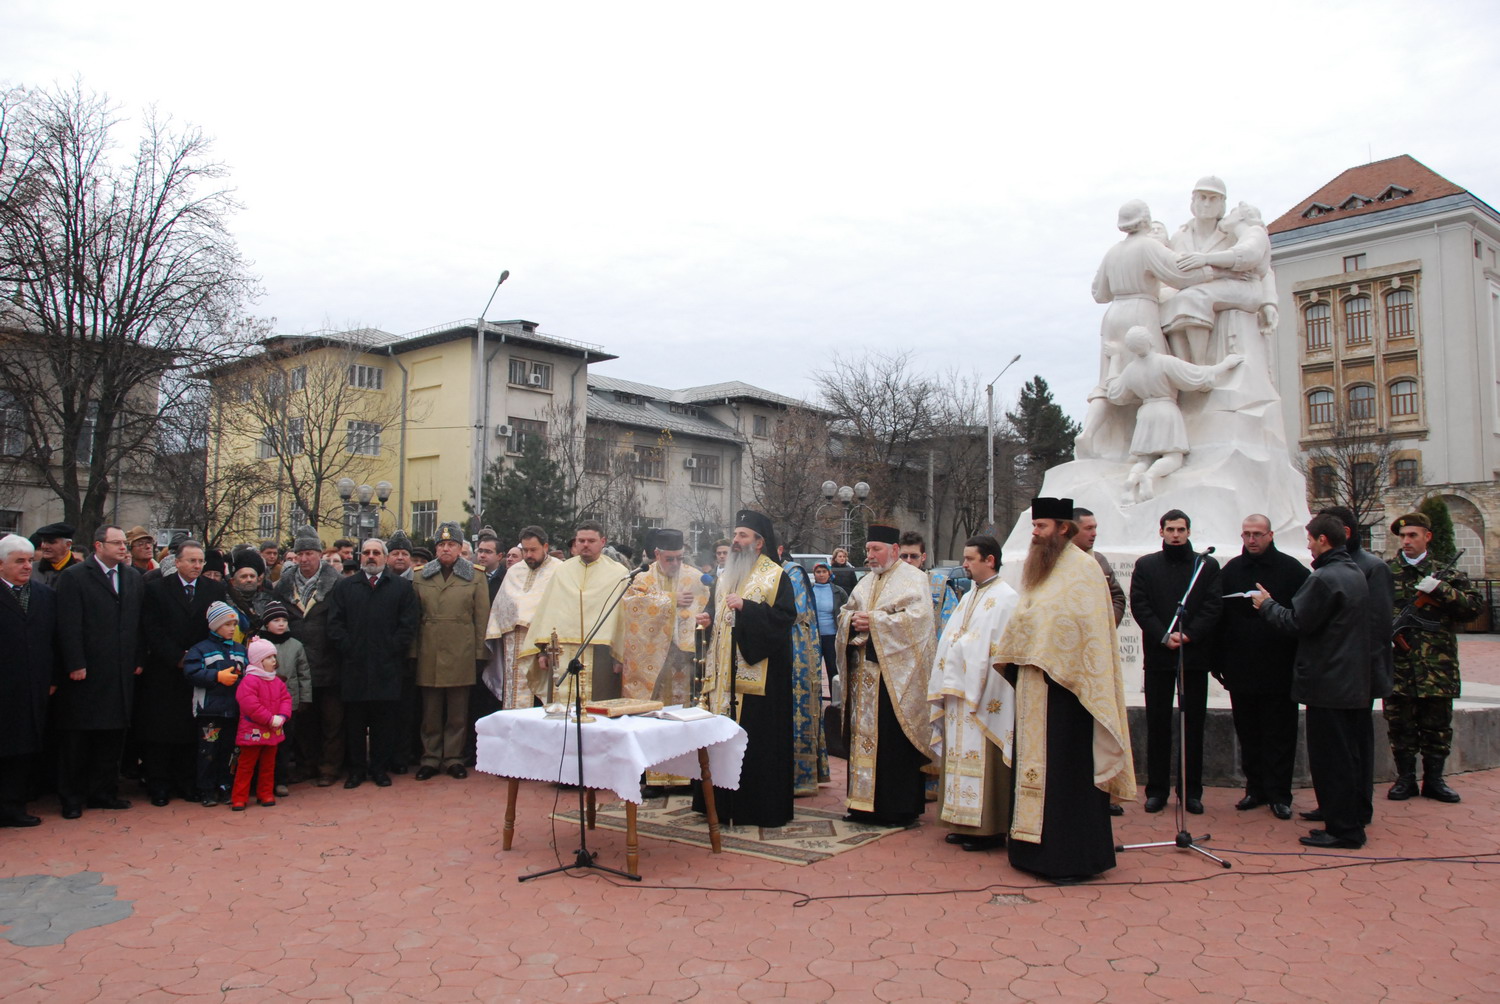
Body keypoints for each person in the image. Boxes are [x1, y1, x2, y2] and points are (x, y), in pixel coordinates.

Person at [994, 498, 1135, 882]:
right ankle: (1029, 852)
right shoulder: (1040, 569)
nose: (1035, 532)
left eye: (1041, 526)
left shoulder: (1084, 570)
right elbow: (1029, 619)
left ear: (1063, 529)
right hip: (1034, 687)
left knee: (1066, 775)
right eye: (1034, 525)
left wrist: (1047, 651)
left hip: (1070, 694)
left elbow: (1083, 630)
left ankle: (1069, 857)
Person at [1252, 514, 1371, 849]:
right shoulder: (1353, 573)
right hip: (1349, 681)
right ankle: (1346, 818)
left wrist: (1267, 605)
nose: (1307, 545)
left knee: (1331, 759)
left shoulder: (1325, 578)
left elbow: (1296, 622)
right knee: (1347, 756)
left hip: (1328, 683)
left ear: (1323, 540)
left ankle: (1343, 829)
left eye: (1309, 539)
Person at [1077, 198, 1212, 460]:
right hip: (1140, 310)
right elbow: (1178, 273)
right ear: (1146, 220)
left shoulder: (1112, 252)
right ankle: (1145, 448)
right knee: (1150, 379)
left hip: (1114, 314)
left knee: (1108, 382)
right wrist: (1208, 273)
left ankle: (1089, 433)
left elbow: (1098, 293)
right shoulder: (1148, 246)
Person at [694, 510, 796, 827]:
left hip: (759, 682)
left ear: (759, 542)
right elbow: (719, 615)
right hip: (723, 678)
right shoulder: (725, 576)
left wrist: (748, 609)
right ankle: (720, 805)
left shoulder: (776, 576)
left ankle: (755, 808)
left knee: (756, 743)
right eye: (736, 534)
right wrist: (708, 620)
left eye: (742, 536)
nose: (736, 541)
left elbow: (783, 620)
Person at [836, 524, 936, 826]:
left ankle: (897, 808)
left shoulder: (914, 580)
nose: (870, 556)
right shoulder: (865, 582)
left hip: (895, 679)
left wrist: (876, 623)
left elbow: (919, 621)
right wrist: (852, 621)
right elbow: (845, 612)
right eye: (867, 550)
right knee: (861, 740)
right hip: (863, 672)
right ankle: (861, 805)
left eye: (875, 549)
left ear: (894, 550)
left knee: (893, 742)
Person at [927, 534, 1019, 851]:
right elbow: (954, 635)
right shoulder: (969, 596)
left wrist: (960, 649)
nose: (964, 564)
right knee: (958, 760)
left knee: (984, 763)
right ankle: (960, 822)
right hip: (958, 693)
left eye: (969, 559)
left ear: (989, 560)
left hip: (984, 695)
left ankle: (988, 829)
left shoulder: (1006, 598)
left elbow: (997, 649)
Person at [1385, 511, 1484, 803]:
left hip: (1436, 666)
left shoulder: (1447, 575)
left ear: (1427, 537)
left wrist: (1441, 590)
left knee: (1437, 727)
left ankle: (1434, 780)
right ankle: (1405, 779)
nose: (1406, 541)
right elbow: (1370, 611)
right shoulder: (1385, 573)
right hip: (1399, 666)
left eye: (1412, 535)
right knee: (1400, 725)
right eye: (1402, 536)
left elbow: (1474, 608)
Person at [1215, 514, 1309, 820]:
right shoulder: (1231, 570)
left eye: (1257, 534)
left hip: (1279, 667)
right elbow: (1218, 615)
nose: (1251, 540)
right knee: (1249, 732)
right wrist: (1218, 661)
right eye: (1246, 534)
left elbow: (1302, 616)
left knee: (1280, 733)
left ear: (1270, 535)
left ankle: (1280, 794)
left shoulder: (1292, 570)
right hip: (1241, 668)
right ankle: (1254, 788)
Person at [1129, 508, 1221, 815]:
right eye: (1170, 529)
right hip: (1159, 654)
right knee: (1157, 723)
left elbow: (1212, 605)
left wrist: (1190, 635)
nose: (1176, 534)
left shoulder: (1204, 566)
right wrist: (1163, 636)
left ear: (1189, 532)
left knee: (1193, 723)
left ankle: (1191, 791)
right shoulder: (1146, 565)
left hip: (1193, 656)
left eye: (1181, 529)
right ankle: (1156, 791)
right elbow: (1140, 605)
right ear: (1161, 532)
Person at [53, 525, 145, 819]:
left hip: (120, 672)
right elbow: (68, 624)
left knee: (112, 737)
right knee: (79, 739)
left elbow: (137, 621)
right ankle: (71, 797)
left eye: (124, 543)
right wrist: (75, 662)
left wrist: (138, 656)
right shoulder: (74, 577)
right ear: (98, 546)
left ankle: (103, 793)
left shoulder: (132, 577)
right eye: (116, 543)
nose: (123, 548)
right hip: (87, 672)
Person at [1314, 505, 1394, 826]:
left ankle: (1359, 806)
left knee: (1355, 745)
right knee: (1336, 747)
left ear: (1343, 533)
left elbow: (1376, 627)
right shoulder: (1332, 565)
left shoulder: (1372, 568)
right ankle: (1334, 805)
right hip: (1336, 674)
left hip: (1358, 674)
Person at [1104, 326, 1243, 503]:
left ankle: (1131, 480)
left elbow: (1114, 393)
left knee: (1145, 458)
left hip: (1146, 413)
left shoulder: (1131, 369)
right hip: (1165, 409)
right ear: (1150, 340)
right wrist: (1226, 364)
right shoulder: (1163, 362)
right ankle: (1151, 477)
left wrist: (1114, 359)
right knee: (1173, 457)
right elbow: (1197, 375)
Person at [326, 538, 421, 790]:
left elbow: (408, 625)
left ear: (385, 557)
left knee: (384, 723)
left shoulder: (400, 588)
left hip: (387, 667)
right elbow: (334, 625)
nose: (371, 557)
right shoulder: (345, 588)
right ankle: (356, 770)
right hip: (354, 667)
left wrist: (390, 649)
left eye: (376, 553)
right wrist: (350, 647)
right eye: (366, 552)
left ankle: (380, 768)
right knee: (355, 724)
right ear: (360, 558)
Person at [138, 539, 227, 806]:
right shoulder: (156, 589)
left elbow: (217, 625)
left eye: (200, 561)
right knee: (162, 730)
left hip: (200, 670)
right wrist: (177, 657)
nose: (197, 566)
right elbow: (152, 628)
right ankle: (159, 785)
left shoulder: (215, 589)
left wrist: (199, 658)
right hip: (165, 670)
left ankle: (188, 782)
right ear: (177, 562)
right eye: (192, 561)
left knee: (192, 729)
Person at [410, 521, 489, 781]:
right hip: (429, 649)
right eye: (442, 544)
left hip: (461, 650)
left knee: (457, 711)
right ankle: (430, 757)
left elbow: (482, 619)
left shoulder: (475, 576)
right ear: (436, 549)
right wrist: (413, 653)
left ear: (460, 548)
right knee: (430, 711)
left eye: (451, 544)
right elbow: (413, 618)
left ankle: (454, 758)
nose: (446, 549)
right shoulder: (420, 576)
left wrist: (480, 654)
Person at [272, 529, 345, 787]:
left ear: (320, 555)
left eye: (310, 553)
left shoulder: (337, 584)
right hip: (297, 667)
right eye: (300, 554)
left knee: (331, 722)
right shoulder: (282, 586)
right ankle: (306, 766)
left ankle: (329, 767)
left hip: (329, 663)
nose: (304, 559)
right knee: (303, 721)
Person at [528, 520, 629, 704]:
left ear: (603, 541)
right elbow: (547, 611)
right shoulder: (562, 571)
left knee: (599, 709)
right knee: (560, 711)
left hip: (601, 654)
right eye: (581, 540)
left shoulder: (618, 573)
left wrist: (620, 657)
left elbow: (622, 618)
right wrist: (542, 652)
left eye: (591, 540)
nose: (585, 545)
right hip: (561, 651)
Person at [615, 529, 710, 705]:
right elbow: (633, 605)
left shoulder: (695, 577)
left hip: (682, 658)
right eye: (670, 559)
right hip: (650, 655)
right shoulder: (642, 577)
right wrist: (671, 600)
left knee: (681, 706)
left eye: (680, 558)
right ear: (657, 554)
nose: (675, 563)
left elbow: (706, 607)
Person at [0, 534, 55, 827]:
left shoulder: (44, 595)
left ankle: (14, 806)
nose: (26, 567)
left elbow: (54, 640)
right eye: (18, 561)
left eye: (29, 561)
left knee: (23, 749)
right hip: (4, 685)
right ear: (0, 564)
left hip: (33, 686)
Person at [484, 526, 564, 709]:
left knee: (543, 698)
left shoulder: (559, 570)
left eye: (533, 550)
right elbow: (500, 608)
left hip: (543, 645)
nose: (528, 555)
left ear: (545, 547)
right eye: (525, 550)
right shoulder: (514, 571)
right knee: (514, 697)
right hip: (513, 644)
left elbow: (560, 608)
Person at [184, 601, 247, 807]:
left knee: (231, 751)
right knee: (208, 751)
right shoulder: (201, 649)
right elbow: (191, 672)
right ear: (215, 626)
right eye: (227, 624)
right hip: (210, 712)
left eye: (234, 624)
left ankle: (226, 785)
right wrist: (216, 676)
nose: (232, 629)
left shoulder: (239, 649)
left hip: (234, 711)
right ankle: (207, 789)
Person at [779, 546, 829, 796]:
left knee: (798, 710)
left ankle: (801, 777)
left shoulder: (793, 572)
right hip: (773, 645)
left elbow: (795, 613)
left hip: (796, 646)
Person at [230, 637, 292, 810]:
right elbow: (250, 705)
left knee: (268, 765)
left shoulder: (276, 681)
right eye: (269, 657)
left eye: (274, 657)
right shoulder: (249, 681)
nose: (274, 661)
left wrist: (282, 715)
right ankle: (239, 797)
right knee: (246, 766)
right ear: (259, 661)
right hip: (253, 731)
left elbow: (286, 699)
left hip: (272, 730)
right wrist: (270, 719)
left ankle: (265, 793)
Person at [257, 601, 310, 797]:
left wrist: (304, 698)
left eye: (284, 620)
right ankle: (262, 780)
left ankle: (281, 780)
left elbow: (304, 673)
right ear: (266, 623)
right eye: (276, 620)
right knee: (263, 743)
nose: (281, 624)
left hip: (288, 703)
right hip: (262, 704)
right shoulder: (257, 644)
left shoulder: (296, 645)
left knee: (284, 744)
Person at [898, 531, 959, 638]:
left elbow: (952, 624)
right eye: (904, 556)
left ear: (923, 557)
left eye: (914, 556)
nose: (908, 560)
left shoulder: (941, 585)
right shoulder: (891, 585)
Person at [1071, 508, 1125, 627]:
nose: (1094, 533)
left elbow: (1117, 596)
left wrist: (1108, 626)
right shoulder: (1056, 561)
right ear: (1072, 530)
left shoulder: (1099, 560)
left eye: (1095, 527)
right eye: (1089, 528)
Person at [809, 563, 848, 691]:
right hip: (813, 637)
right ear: (814, 574)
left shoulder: (838, 591)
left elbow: (847, 610)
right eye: (818, 572)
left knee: (833, 671)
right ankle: (814, 705)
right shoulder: (808, 590)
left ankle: (835, 704)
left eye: (824, 571)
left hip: (832, 636)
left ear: (829, 573)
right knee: (813, 671)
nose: (821, 574)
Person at [29, 521, 79, 588]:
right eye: (43, 542)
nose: (44, 546)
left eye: (51, 542)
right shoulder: (31, 569)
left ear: (68, 545)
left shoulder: (81, 573)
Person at [475, 535, 506, 601]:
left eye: (488, 552)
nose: (482, 555)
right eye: (480, 551)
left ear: (499, 556)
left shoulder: (506, 578)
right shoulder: (471, 576)